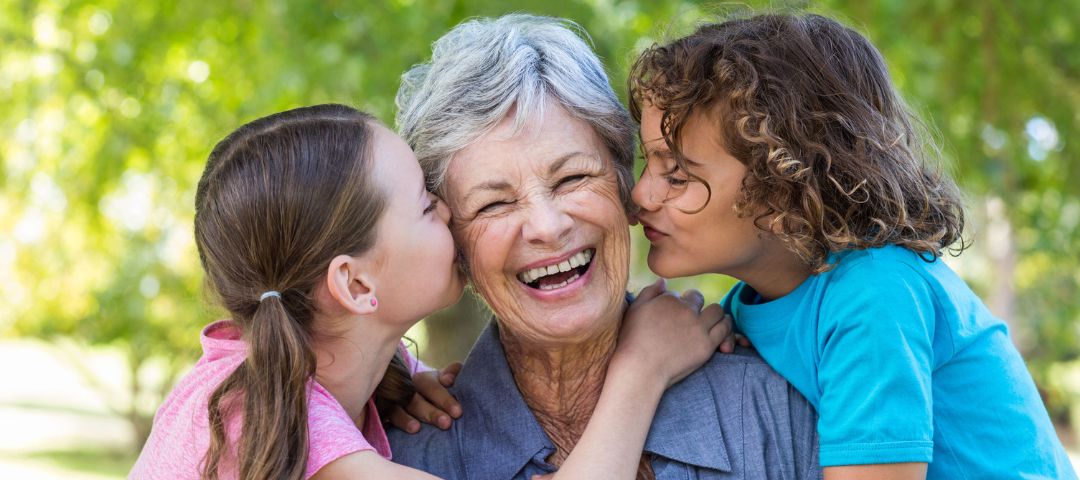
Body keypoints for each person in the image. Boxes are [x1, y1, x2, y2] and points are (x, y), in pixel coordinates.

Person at [128, 104, 733, 479]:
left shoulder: (306, 374)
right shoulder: (266, 418)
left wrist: (396, 377)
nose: (450, 211)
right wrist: (642, 370)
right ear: (356, 283)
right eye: (425, 204)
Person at [628, 13, 1076, 480]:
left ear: (786, 189)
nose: (640, 195)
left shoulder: (874, 290)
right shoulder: (748, 307)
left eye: (676, 175)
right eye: (648, 165)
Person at [388, 14, 821, 480]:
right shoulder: (401, 456)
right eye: (494, 203)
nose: (548, 227)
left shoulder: (779, 403)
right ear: (454, 245)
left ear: (623, 187)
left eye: (573, 177)